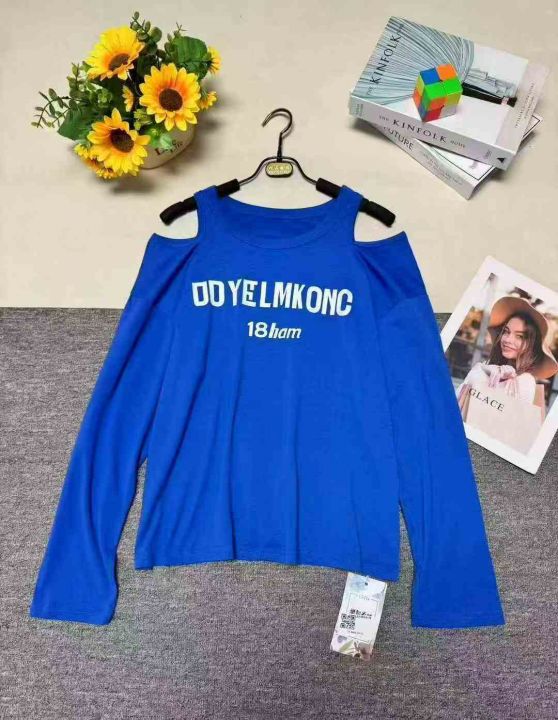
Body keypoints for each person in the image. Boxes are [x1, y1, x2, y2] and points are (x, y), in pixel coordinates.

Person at [456, 296, 558, 418]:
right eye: (506, 331)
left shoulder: (525, 381)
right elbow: (460, 396)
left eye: (520, 336)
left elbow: (498, 417)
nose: (507, 340)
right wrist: (485, 368)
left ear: (532, 345)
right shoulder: (489, 365)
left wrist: (481, 370)